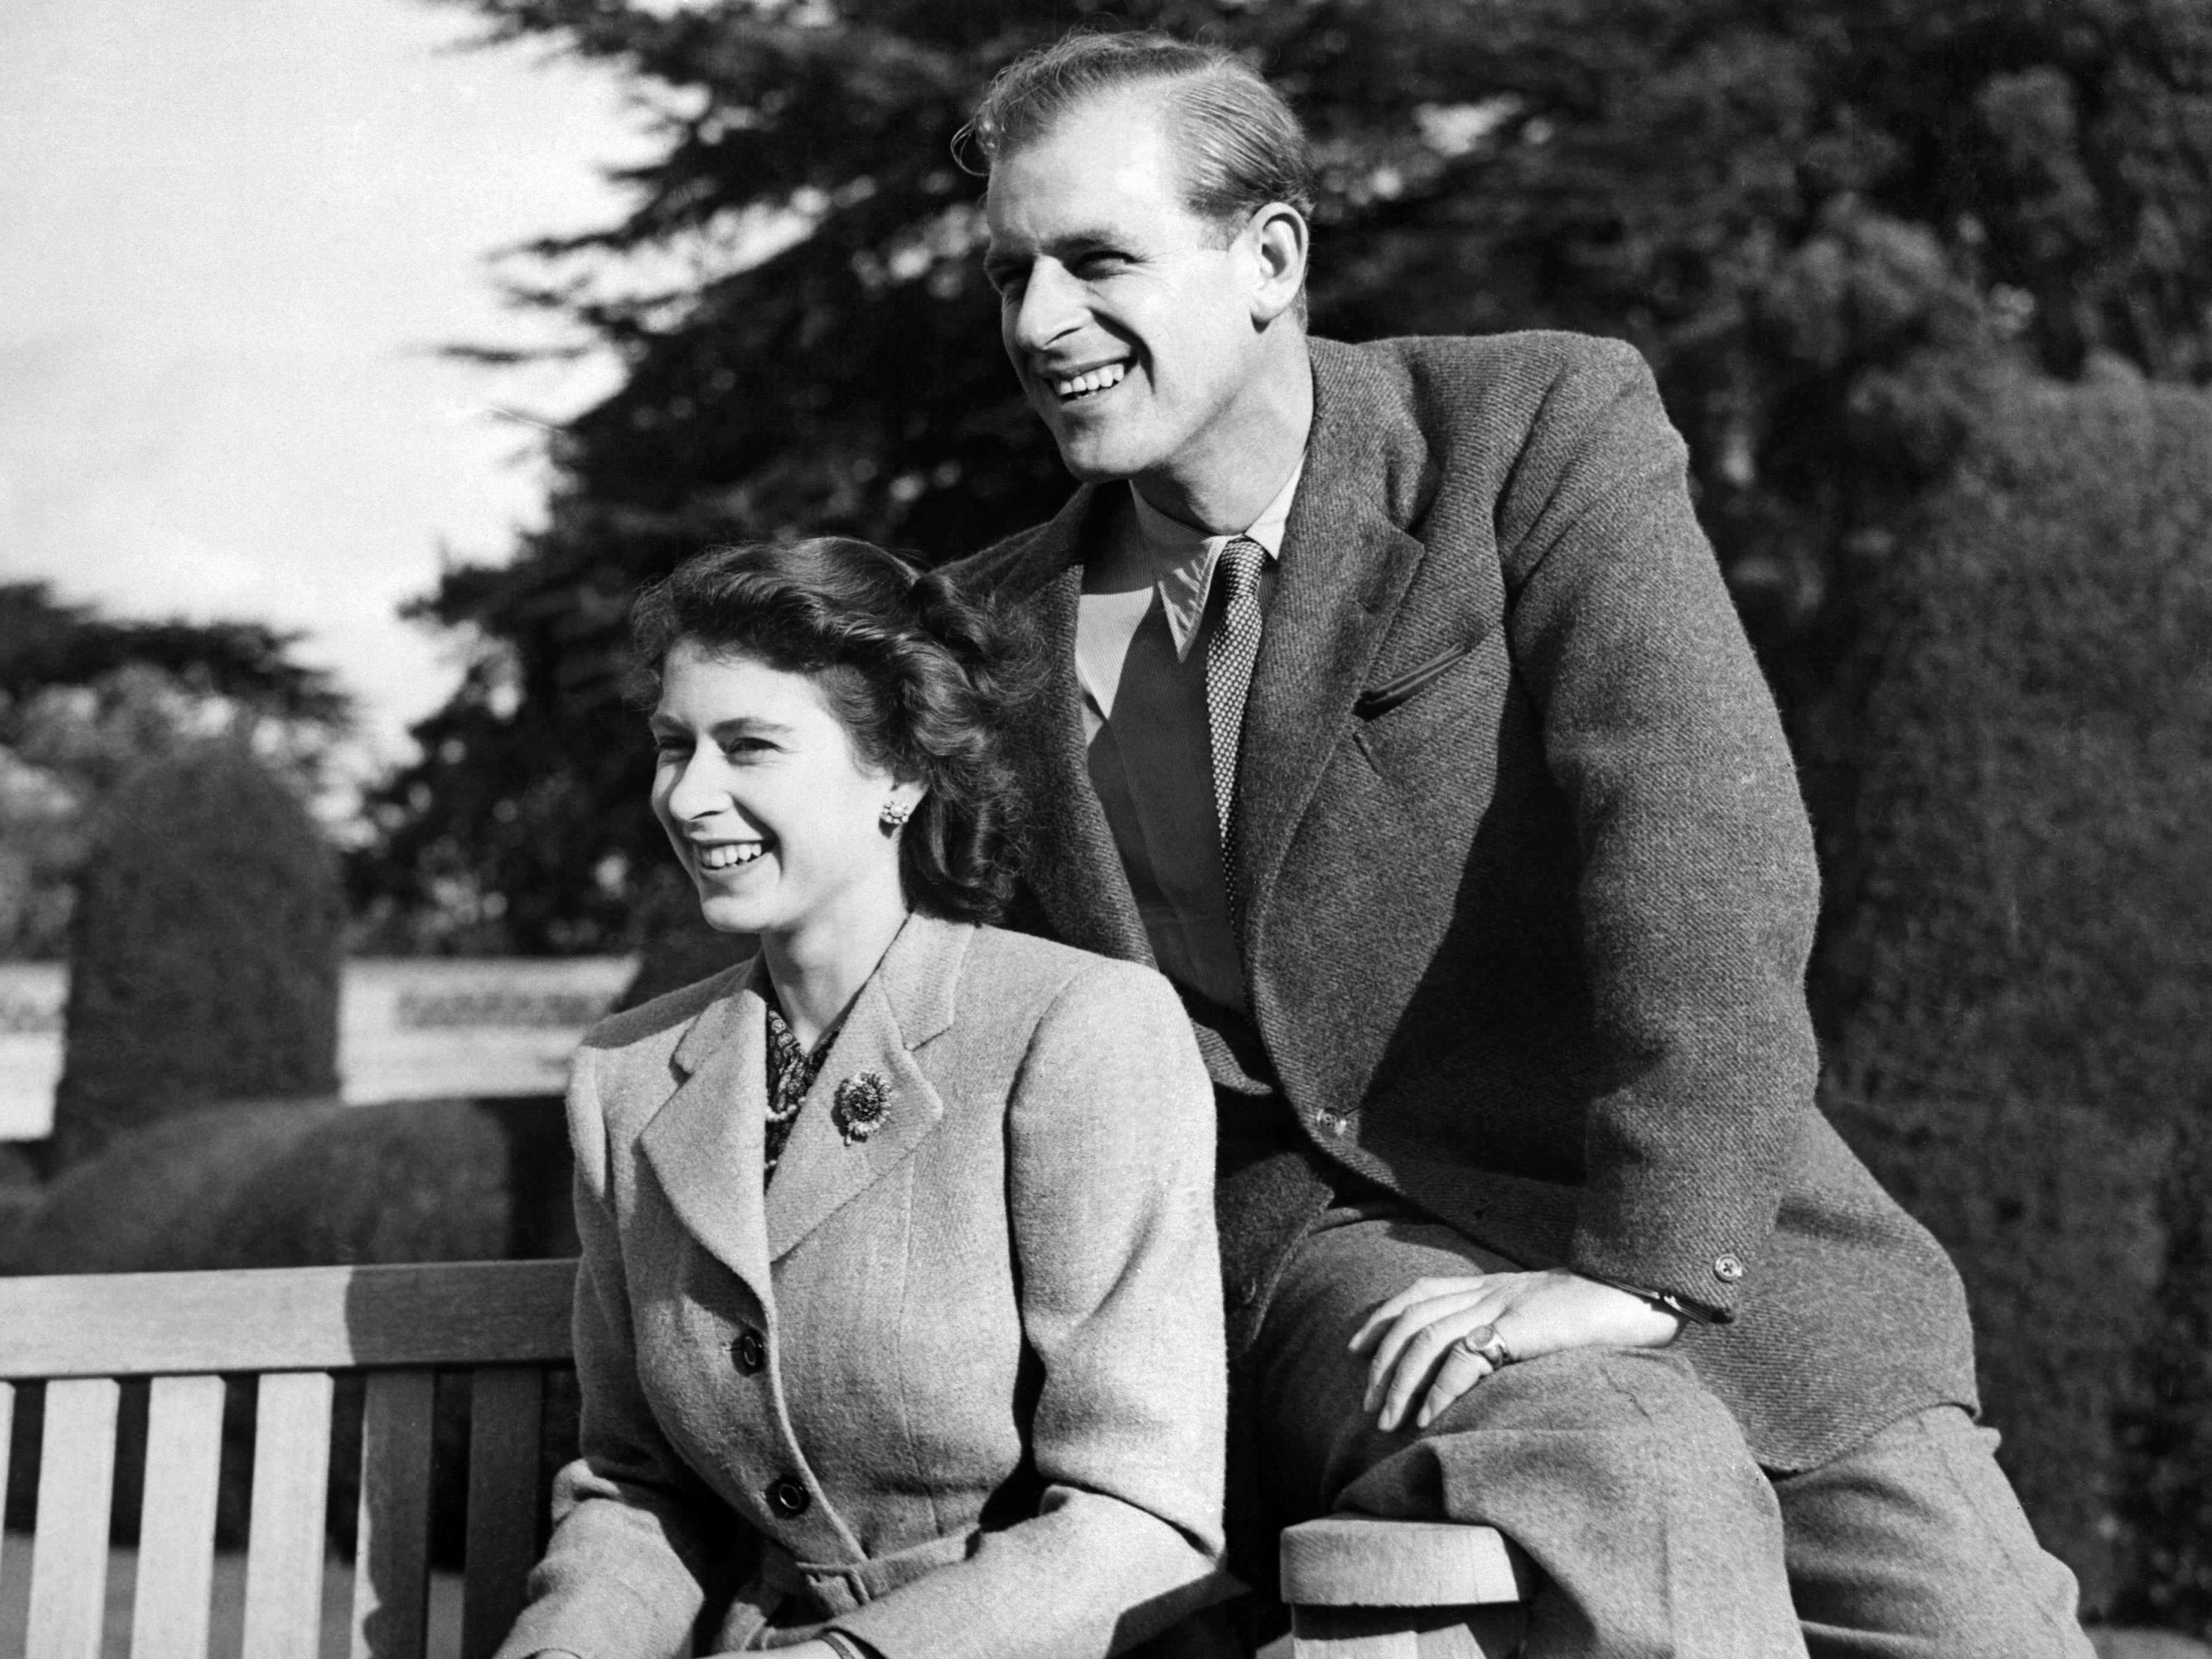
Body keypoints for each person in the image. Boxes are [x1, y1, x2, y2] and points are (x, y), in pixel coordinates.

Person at [949, 30, 2095, 1659]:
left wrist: (1640, 1270)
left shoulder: (1526, 429)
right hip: (1323, 1266)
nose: (1040, 324)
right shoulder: (983, 637)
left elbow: (1696, 839)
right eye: (1009, 276)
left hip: (1698, 1243)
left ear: (1268, 256)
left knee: (1988, 1632)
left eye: (1092, 262)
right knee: (1622, 1475)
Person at [497, 539, 1230, 1659]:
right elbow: (642, 1491)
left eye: (749, 748)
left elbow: (1143, 1517)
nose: (691, 797)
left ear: (898, 773)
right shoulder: (627, 1075)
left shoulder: (1076, 1028)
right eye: (672, 747)